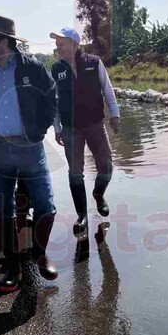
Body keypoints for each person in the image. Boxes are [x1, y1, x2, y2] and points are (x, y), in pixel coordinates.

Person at [0, 15, 58, 293]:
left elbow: (51, 97)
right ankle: (12, 266)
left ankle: (39, 253)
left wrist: (39, 131)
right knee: (1, 211)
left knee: (45, 205)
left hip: (29, 148)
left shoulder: (32, 68)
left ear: (3, 42)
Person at [50, 27, 120, 235]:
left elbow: (107, 89)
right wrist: (56, 128)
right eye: (57, 44)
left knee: (106, 167)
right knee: (75, 173)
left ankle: (98, 195)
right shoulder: (55, 70)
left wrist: (115, 114)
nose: (58, 47)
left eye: (61, 43)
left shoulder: (93, 62)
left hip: (95, 124)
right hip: (71, 128)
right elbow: (53, 101)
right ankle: (82, 216)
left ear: (74, 43)